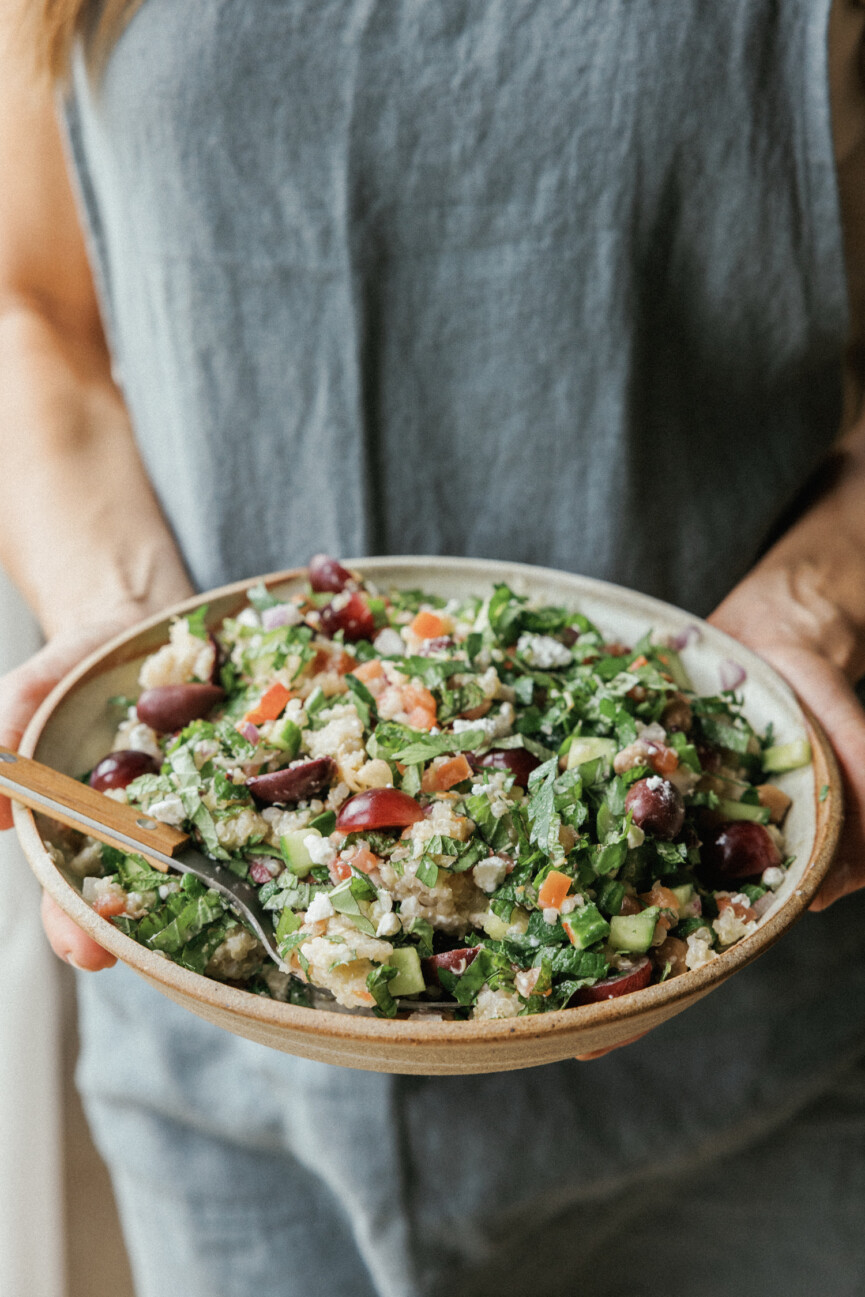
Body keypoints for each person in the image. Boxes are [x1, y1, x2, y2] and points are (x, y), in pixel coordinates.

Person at [2, 1, 865, 1293]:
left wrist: (809, 610)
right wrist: (117, 624)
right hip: (228, 1092)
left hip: (746, 1055)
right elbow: (36, 318)